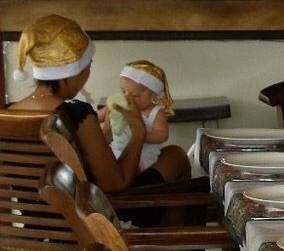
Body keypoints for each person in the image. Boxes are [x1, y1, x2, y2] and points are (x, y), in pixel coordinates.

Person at [9, 14, 192, 205]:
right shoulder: (77, 114)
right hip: (94, 216)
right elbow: (116, 184)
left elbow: (74, 155)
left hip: (37, 218)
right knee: (175, 155)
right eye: (89, 64)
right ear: (76, 70)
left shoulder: (9, 112)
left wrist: (105, 133)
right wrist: (138, 130)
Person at [100, 60, 187, 182]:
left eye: (135, 95)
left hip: (143, 155)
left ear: (153, 96)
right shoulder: (119, 105)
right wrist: (107, 116)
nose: (127, 97)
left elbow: (162, 134)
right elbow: (95, 116)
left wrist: (144, 136)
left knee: (135, 166)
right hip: (117, 150)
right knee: (107, 160)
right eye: (123, 91)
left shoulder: (155, 112)